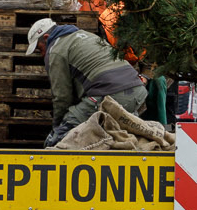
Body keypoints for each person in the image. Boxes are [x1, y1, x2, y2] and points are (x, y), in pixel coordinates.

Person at [28, 18, 146, 146]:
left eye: (40, 49)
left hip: (111, 95)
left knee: (60, 135)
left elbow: (62, 97)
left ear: (46, 37)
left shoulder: (55, 50)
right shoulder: (88, 36)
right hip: (137, 92)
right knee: (116, 135)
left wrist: (58, 127)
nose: (42, 54)